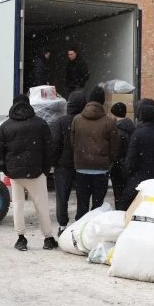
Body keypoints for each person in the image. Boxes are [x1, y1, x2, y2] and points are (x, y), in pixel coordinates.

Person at [0, 94, 57, 251]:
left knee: (18, 205)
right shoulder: (40, 123)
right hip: (36, 172)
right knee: (41, 205)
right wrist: (45, 170)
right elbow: (49, 149)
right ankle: (48, 238)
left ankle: (21, 238)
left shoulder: (5, 126)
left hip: (15, 173)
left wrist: (7, 170)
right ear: (28, 105)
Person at [71, 86, 119, 220]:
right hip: (101, 169)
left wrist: (79, 156)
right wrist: (108, 160)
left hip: (81, 167)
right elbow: (114, 147)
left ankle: (80, 227)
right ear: (103, 101)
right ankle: (93, 228)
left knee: (82, 204)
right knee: (98, 206)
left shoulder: (77, 119)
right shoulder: (109, 122)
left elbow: (73, 142)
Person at [49, 90, 86, 236]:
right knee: (82, 197)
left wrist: (54, 162)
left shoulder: (61, 121)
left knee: (62, 197)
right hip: (82, 165)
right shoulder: (85, 121)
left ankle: (62, 225)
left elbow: (55, 144)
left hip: (63, 166)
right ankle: (80, 223)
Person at [121, 105, 154, 210]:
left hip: (139, 175)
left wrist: (128, 171)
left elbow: (131, 156)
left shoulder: (138, 133)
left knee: (130, 204)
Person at [109, 102, 135, 210]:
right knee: (128, 195)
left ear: (114, 114)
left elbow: (115, 151)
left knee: (118, 195)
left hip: (118, 167)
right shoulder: (133, 128)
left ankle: (120, 213)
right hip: (129, 166)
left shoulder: (117, 130)